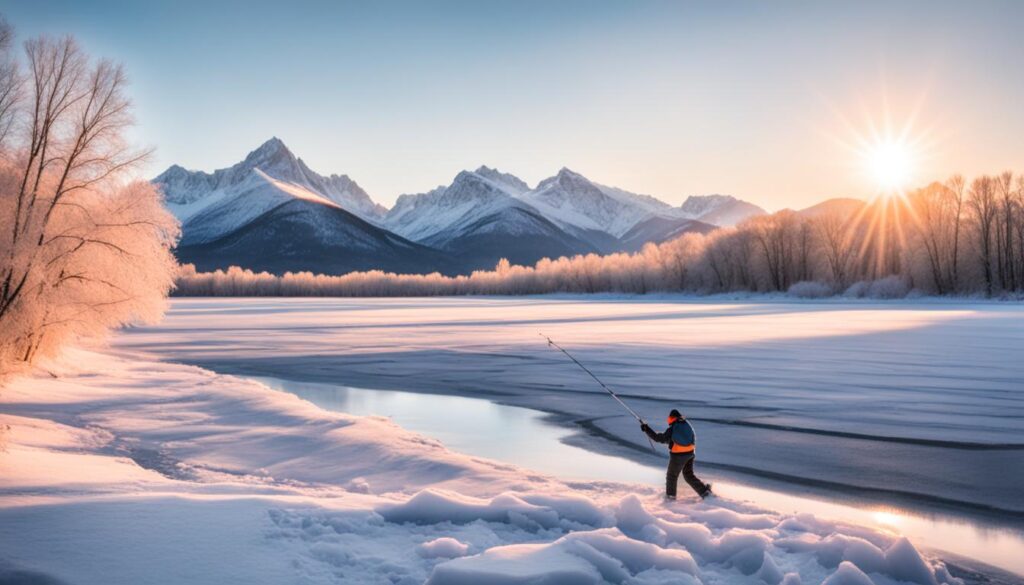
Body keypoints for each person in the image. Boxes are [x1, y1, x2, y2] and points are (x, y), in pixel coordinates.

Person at [641, 409, 712, 500]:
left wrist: (647, 429)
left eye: (669, 417)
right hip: (690, 453)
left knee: (671, 476)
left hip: (678, 456)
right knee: (688, 475)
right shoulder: (686, 424)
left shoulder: (673, 429)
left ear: (671, 418)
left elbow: (659, 438)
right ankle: (705, 493)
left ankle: (670, 498)